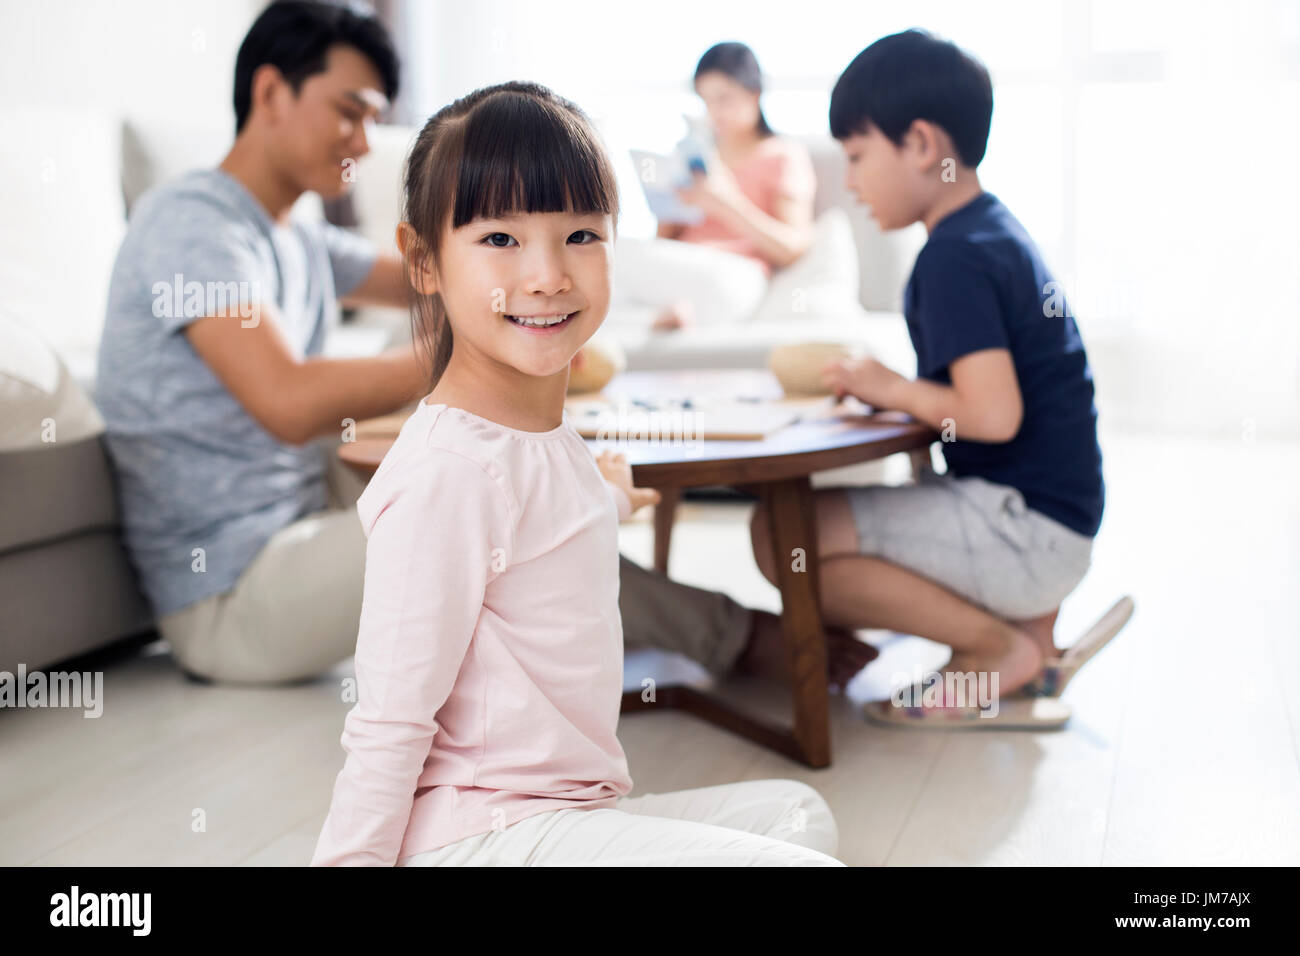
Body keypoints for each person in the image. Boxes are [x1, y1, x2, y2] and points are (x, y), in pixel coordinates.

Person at [94, 0, 869, 690]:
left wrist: (541, 276)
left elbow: (443, 269)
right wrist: (483, 343)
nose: (367, 140)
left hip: (308, 512)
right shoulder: (197, 224)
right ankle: (742, 637)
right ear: (270, 93)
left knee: (521, 480)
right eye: (351, 111)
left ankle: (638, 637)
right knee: (507, 511)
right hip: (234, 589)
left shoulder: (293, 233)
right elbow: (290, 405)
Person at [310, 81, 843, 866]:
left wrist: (610, 499)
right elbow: (389, 723)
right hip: (482, 836)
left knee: (798, 818)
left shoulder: (544, 436)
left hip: (568, 814)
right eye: (500, 239)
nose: (548, 275)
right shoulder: (444, 475)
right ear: (422, 260)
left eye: (581, 235)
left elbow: (544, 525)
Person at [751, 29, 1108, 723]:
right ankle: (1023, 636)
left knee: (778, 538)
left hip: (1025, 532)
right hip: (1056, 526)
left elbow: (993, 414)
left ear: (921, 145)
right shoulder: (992, 231)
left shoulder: (952, 259)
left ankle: (995, 646)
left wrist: (885, 385)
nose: (850, 182)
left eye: (857, 156)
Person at [616, 41, 817, 332]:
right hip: (679, 266)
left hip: (733, 272)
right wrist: (669, 205)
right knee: (607, 254)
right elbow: (663, 245)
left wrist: (726, 204)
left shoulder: (783, 155)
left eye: (724, 98)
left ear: (754, 93)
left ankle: (663, 318)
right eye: (706, 101)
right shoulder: (696, 154)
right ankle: (666, 316)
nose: (714, 112)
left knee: (724, 288)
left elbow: (793, 247)